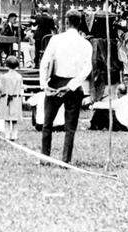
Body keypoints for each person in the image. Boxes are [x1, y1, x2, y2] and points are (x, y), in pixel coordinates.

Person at [38, 10, 92, 164]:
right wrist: (71, 86)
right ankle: (65, 160)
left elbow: (44, 62)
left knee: (47, 124)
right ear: (80, 22)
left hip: (57, 83)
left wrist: (44, 84)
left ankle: (44, 158)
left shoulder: (56, 39)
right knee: (70, 127)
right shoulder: (85, 43)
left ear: (66, 22)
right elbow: (87, 68)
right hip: (73, 86)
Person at [0, 54, 24, 140]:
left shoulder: (4, 77)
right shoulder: (19, 77)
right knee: (14, 119)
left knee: (7, 119)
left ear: (6, 65)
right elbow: (21, 88)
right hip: (16, 98)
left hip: (6, 98)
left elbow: (1, 88)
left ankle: (7, 135)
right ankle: (14, 135)